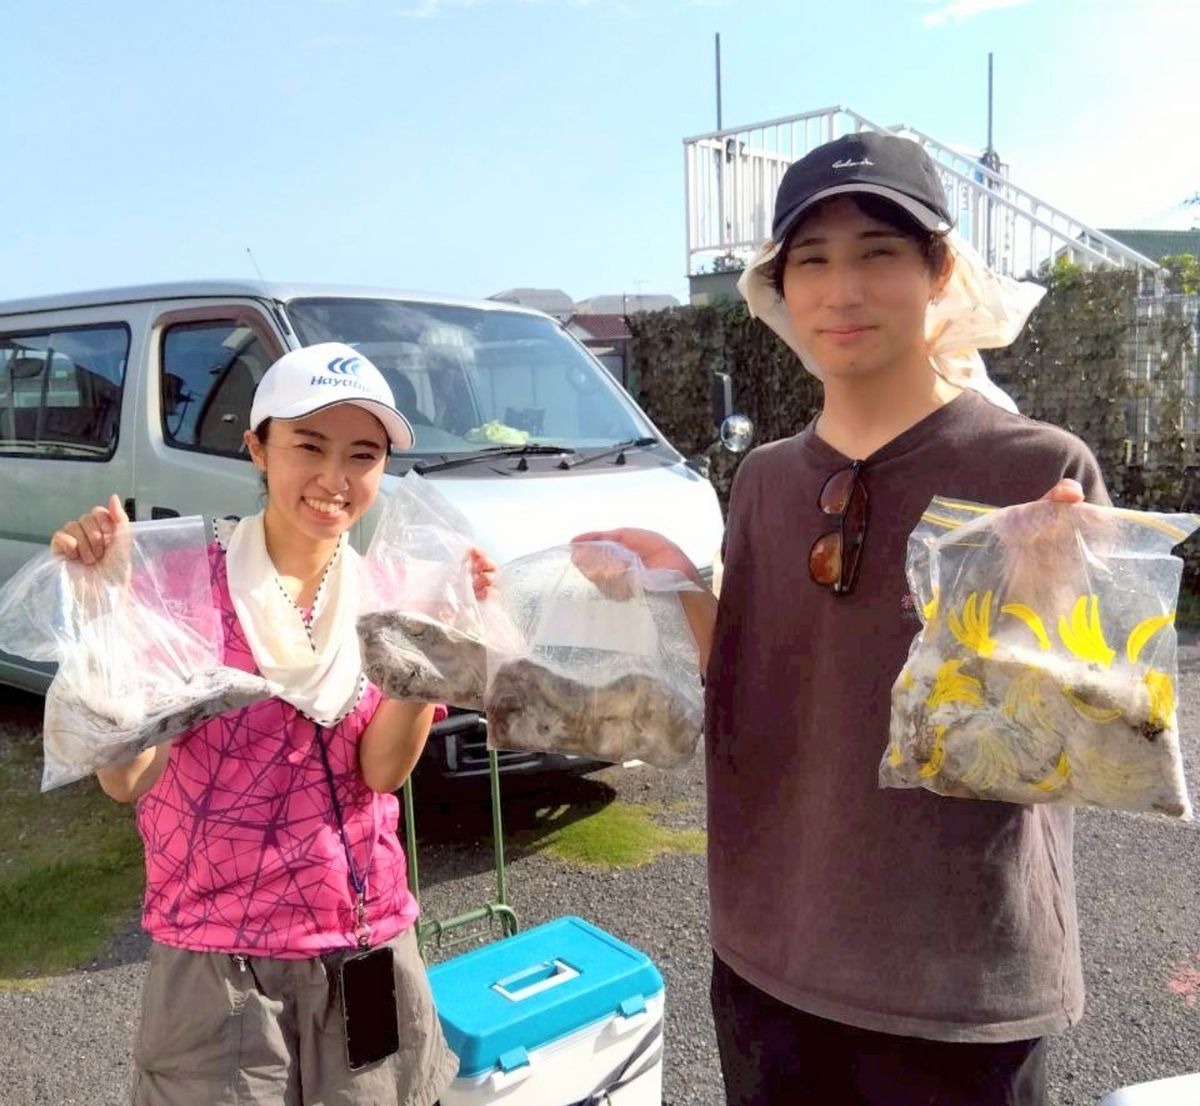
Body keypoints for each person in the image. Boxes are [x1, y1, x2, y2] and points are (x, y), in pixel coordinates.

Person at [577, 133, 1109, 1105]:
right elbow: (750, 680)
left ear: (938, 270)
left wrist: (1046, 624)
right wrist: (673, 584)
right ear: (779, 286)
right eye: (810, 261)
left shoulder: (1035, 471)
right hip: (767, 962)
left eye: (877, 252)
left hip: (955, 983)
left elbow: (1071, 737)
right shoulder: (766, 479)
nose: (841, 289)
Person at [51, 342, 492, 1106]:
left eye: (363, 454)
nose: (335, 479)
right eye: (308, 446)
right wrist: (104, 615)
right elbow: (127, 778)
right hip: (216, 964)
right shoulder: (182, 584)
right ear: (257, 447)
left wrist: (443, 646)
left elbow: (381, 773)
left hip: (364, 945)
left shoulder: (390, 595)